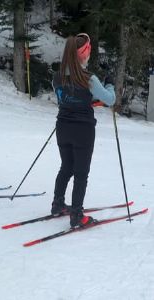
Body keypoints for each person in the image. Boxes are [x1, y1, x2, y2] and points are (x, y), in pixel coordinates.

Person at [51, 33, 116, 228]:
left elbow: (66, 97)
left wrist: (88, 101)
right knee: (81, 173)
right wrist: (110, 83)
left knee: (66, 167)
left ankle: (58, 204)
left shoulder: (57, 76)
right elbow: (110, 99)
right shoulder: (89, 78)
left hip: (62, 127)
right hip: (83, 130)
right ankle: (77, 215)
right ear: (84, 53)